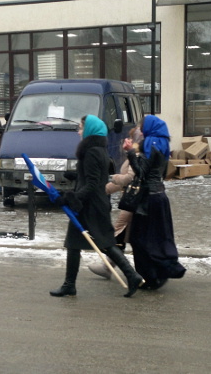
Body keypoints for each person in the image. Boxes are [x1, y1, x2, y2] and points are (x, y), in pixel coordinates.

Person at [49, 115, 144, 298]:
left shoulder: (91, 151)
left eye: (81, 127)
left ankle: (132, 275)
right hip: (93, 204)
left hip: (91, 206)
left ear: (90, 129)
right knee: (75, 243)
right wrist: (75, 176)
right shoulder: (97, 149)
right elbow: (94, 177)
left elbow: (93, 184)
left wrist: (71, 197)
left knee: (105, 242)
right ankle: (69, 285)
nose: (79, 131)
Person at [123, 115, 186, 290]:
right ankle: (158, 273)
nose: (141, 130)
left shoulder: (150, 144)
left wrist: (130, 152)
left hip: (148, 199)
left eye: (143, 126)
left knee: (139, 239)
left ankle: (151, 277)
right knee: (158, 238)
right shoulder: (163, 144)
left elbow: (140, 172)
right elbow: (162, 172)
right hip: (159, 197)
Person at [88, 126, 144, 279]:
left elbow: (129, 179)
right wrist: (103, 190)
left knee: (119, 233)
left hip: (133, 202)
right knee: (121, 235)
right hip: (132, 201)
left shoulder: (137, 156)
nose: (128, 140)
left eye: (131, 138)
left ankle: (111, 268)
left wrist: (114, 177)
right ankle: (109, 267)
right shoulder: (136, 155)